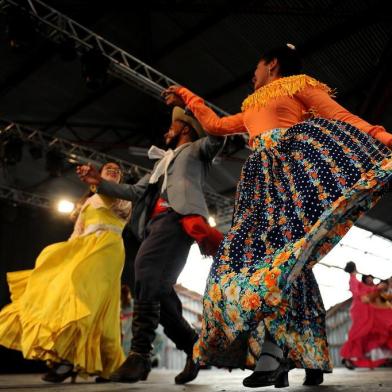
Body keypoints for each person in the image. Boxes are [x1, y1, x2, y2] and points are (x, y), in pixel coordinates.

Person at [163, 43, 392, 388]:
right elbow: (215, 125)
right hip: (259, 183)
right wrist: (187, 96)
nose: (251, 75)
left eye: (256, 67)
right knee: (281, 265)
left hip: (292, 174)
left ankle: (275, 355)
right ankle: (303, 356)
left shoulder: (299, 84)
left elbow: (340, 116)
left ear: (271, 65)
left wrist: (382, 137)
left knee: (285, 261)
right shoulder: (250, 105)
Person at [77, 106, 225, 384]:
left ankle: (140, 355)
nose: (166, 131)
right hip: (154, 225)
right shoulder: (161, 162)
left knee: (144, 272)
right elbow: (134, 191)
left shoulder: (196, 150)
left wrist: (188, 101)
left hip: (177, 219)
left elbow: (218, 135)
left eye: (172, 126)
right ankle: (195, 346)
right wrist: (98, 182)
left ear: (184, 127)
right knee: (157, 290)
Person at [0, 162, 132, 382]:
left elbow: (120, 210)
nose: (113, 169)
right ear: (99, 172)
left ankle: (79, 361)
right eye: (108, 167)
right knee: (67, 293)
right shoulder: (88, 202)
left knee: (90, 302)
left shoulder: (123, 196)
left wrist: (100, 185)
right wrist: (66, 253)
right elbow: (77, 232)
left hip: (107, 250)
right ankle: (68, 358)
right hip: (83, 248)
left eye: (117, 170)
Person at [341, 262, 392, 369]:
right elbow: (360, 295)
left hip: (367, 310)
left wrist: (377, 289)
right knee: (359, 334)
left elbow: (367, 291)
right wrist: (374, 291)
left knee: (367, 333)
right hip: (361, 311)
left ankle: (352, 358)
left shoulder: (356, 281)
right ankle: (348, 357)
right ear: (354, 268)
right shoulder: (353, 280)